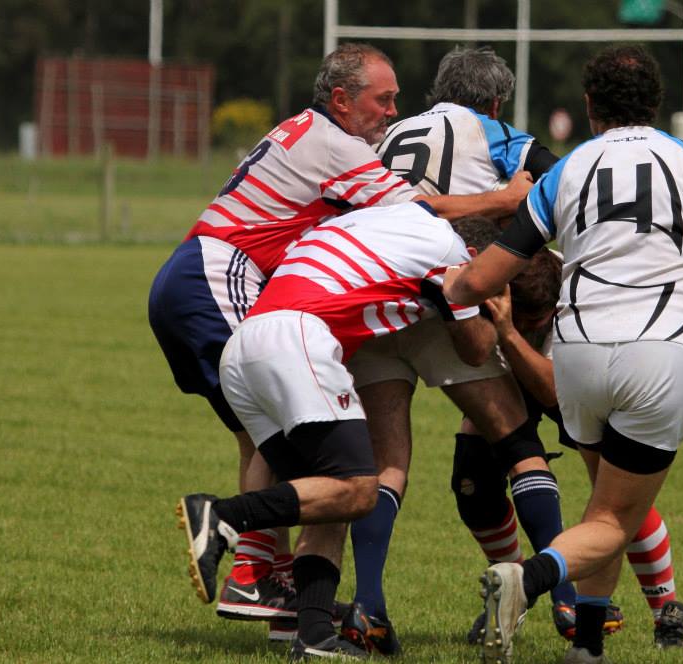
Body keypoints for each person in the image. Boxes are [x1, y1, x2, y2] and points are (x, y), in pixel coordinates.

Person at [148, 42, 529, 639]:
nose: (393, 110)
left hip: (195, 273)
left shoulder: (305, 132)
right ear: (342, 99)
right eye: (384, 99)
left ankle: (290, 605)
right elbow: (421, 207)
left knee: (269, 438)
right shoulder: (336, 144)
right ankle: (250, 565)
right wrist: (505, 200)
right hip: (220, 275)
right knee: (311, 453)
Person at [443, 45, 683, 664]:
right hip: (660, 352)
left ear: (590, 106)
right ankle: (527, 580)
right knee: (615, 519)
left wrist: (449, 285)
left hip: (578, 355)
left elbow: (490, 271)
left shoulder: (569, 169)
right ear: (656, 104)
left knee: (600, 506)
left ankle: (586, 647)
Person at [176, 200, 497, 660]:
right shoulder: (450, 250)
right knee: (361, 490)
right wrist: (495, 310)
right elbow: (476, 349)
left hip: (246, 345)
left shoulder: (375, 221)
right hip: (297, 340)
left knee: (325, 499)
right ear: (472, 253)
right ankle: (222, 516)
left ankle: (313, 636)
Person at [334, 47, 573, 653]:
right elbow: (562, 178)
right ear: (494, 103)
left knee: (387, 461)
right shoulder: (487, 128)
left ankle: (370, 609)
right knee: (516, 438)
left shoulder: (383, 134)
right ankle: (566, 598)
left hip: (374, 296)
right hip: (448, 291)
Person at [461, 241, 683, 649]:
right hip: (501, 376)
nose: (531, 322)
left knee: (621, 496)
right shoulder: (499, 274)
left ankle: (666, 618)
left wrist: (510, 332)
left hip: (571, 374)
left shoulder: (575, 299)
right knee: (472, 484)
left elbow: (553, 391)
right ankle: (514, 592)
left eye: (536, 318)